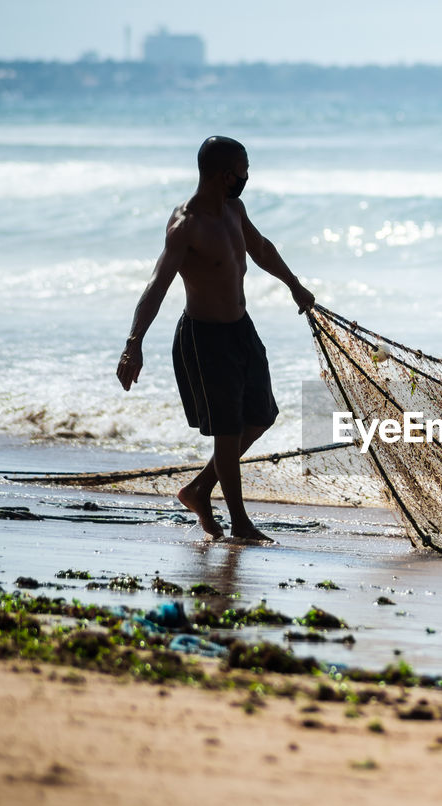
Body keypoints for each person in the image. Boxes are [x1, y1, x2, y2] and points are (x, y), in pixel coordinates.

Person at [116, 136, 315, 542]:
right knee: (227, 431)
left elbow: (260, 248)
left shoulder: (234, 209)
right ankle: (239, 522)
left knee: (260, 417)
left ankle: (198, 490)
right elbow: (157, 286)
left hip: (242, 330)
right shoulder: (186, 225)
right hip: (204, 340)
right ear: (225, 174)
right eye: (243, 169)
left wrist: (294, 285)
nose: (247, 177)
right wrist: (133, 343)